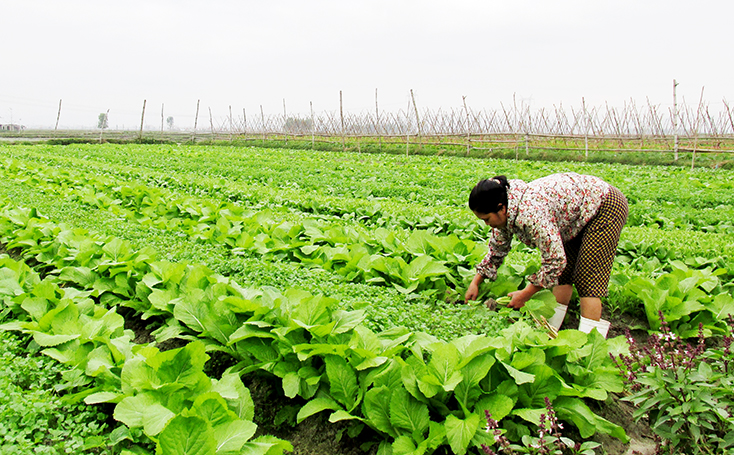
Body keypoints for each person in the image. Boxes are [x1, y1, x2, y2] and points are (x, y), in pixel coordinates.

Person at [463, 172, 628, 337]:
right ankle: (550, 332)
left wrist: (525, 294)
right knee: (564, 273)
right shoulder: (506, 211)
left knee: (587, 278)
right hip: (575, 214)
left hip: (605, 205)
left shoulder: (530, 214)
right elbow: (496, 250)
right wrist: (476, 282)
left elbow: (555, 261)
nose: (486, 224)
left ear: (501, 208)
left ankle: (588, 346)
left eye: (486, 219)